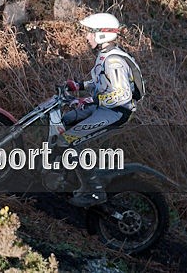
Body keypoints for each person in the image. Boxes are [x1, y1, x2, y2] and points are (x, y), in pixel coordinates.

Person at [60, 12, 141, 207]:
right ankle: (69, 176)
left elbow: (122, 95)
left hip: (115, 112)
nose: (87, 37)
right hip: (106, 108)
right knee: (67, 119)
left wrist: (92, 99)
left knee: (69, 140)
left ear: (103, 35)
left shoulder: (114, 61)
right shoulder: (106, 55)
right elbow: (103, 83)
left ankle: (94, 190)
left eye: (91, 33)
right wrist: (79, 85)